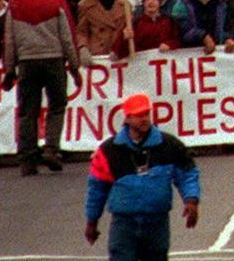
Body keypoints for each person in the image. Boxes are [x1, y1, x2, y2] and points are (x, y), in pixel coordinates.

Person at [84, 93, 200, 261]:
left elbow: (188, 173)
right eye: (139, 115)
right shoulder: (108, 151)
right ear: (128, 118)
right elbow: (97, 189)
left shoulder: (169, 145)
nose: (144, 119)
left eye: (147, 114)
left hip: (157, 223)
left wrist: (191, 200)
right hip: (124, 224)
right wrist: (91, 221)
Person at [3, 0, 82, 175]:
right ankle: (51, 148)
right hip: (54, 60)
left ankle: (27, 158)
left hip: (27, 62)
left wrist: (9, 69)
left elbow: (9, 39)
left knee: (28, 110)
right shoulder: (57, 0)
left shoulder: (15, 2)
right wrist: (75, 68)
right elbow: (68, 37)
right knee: (57, 105)